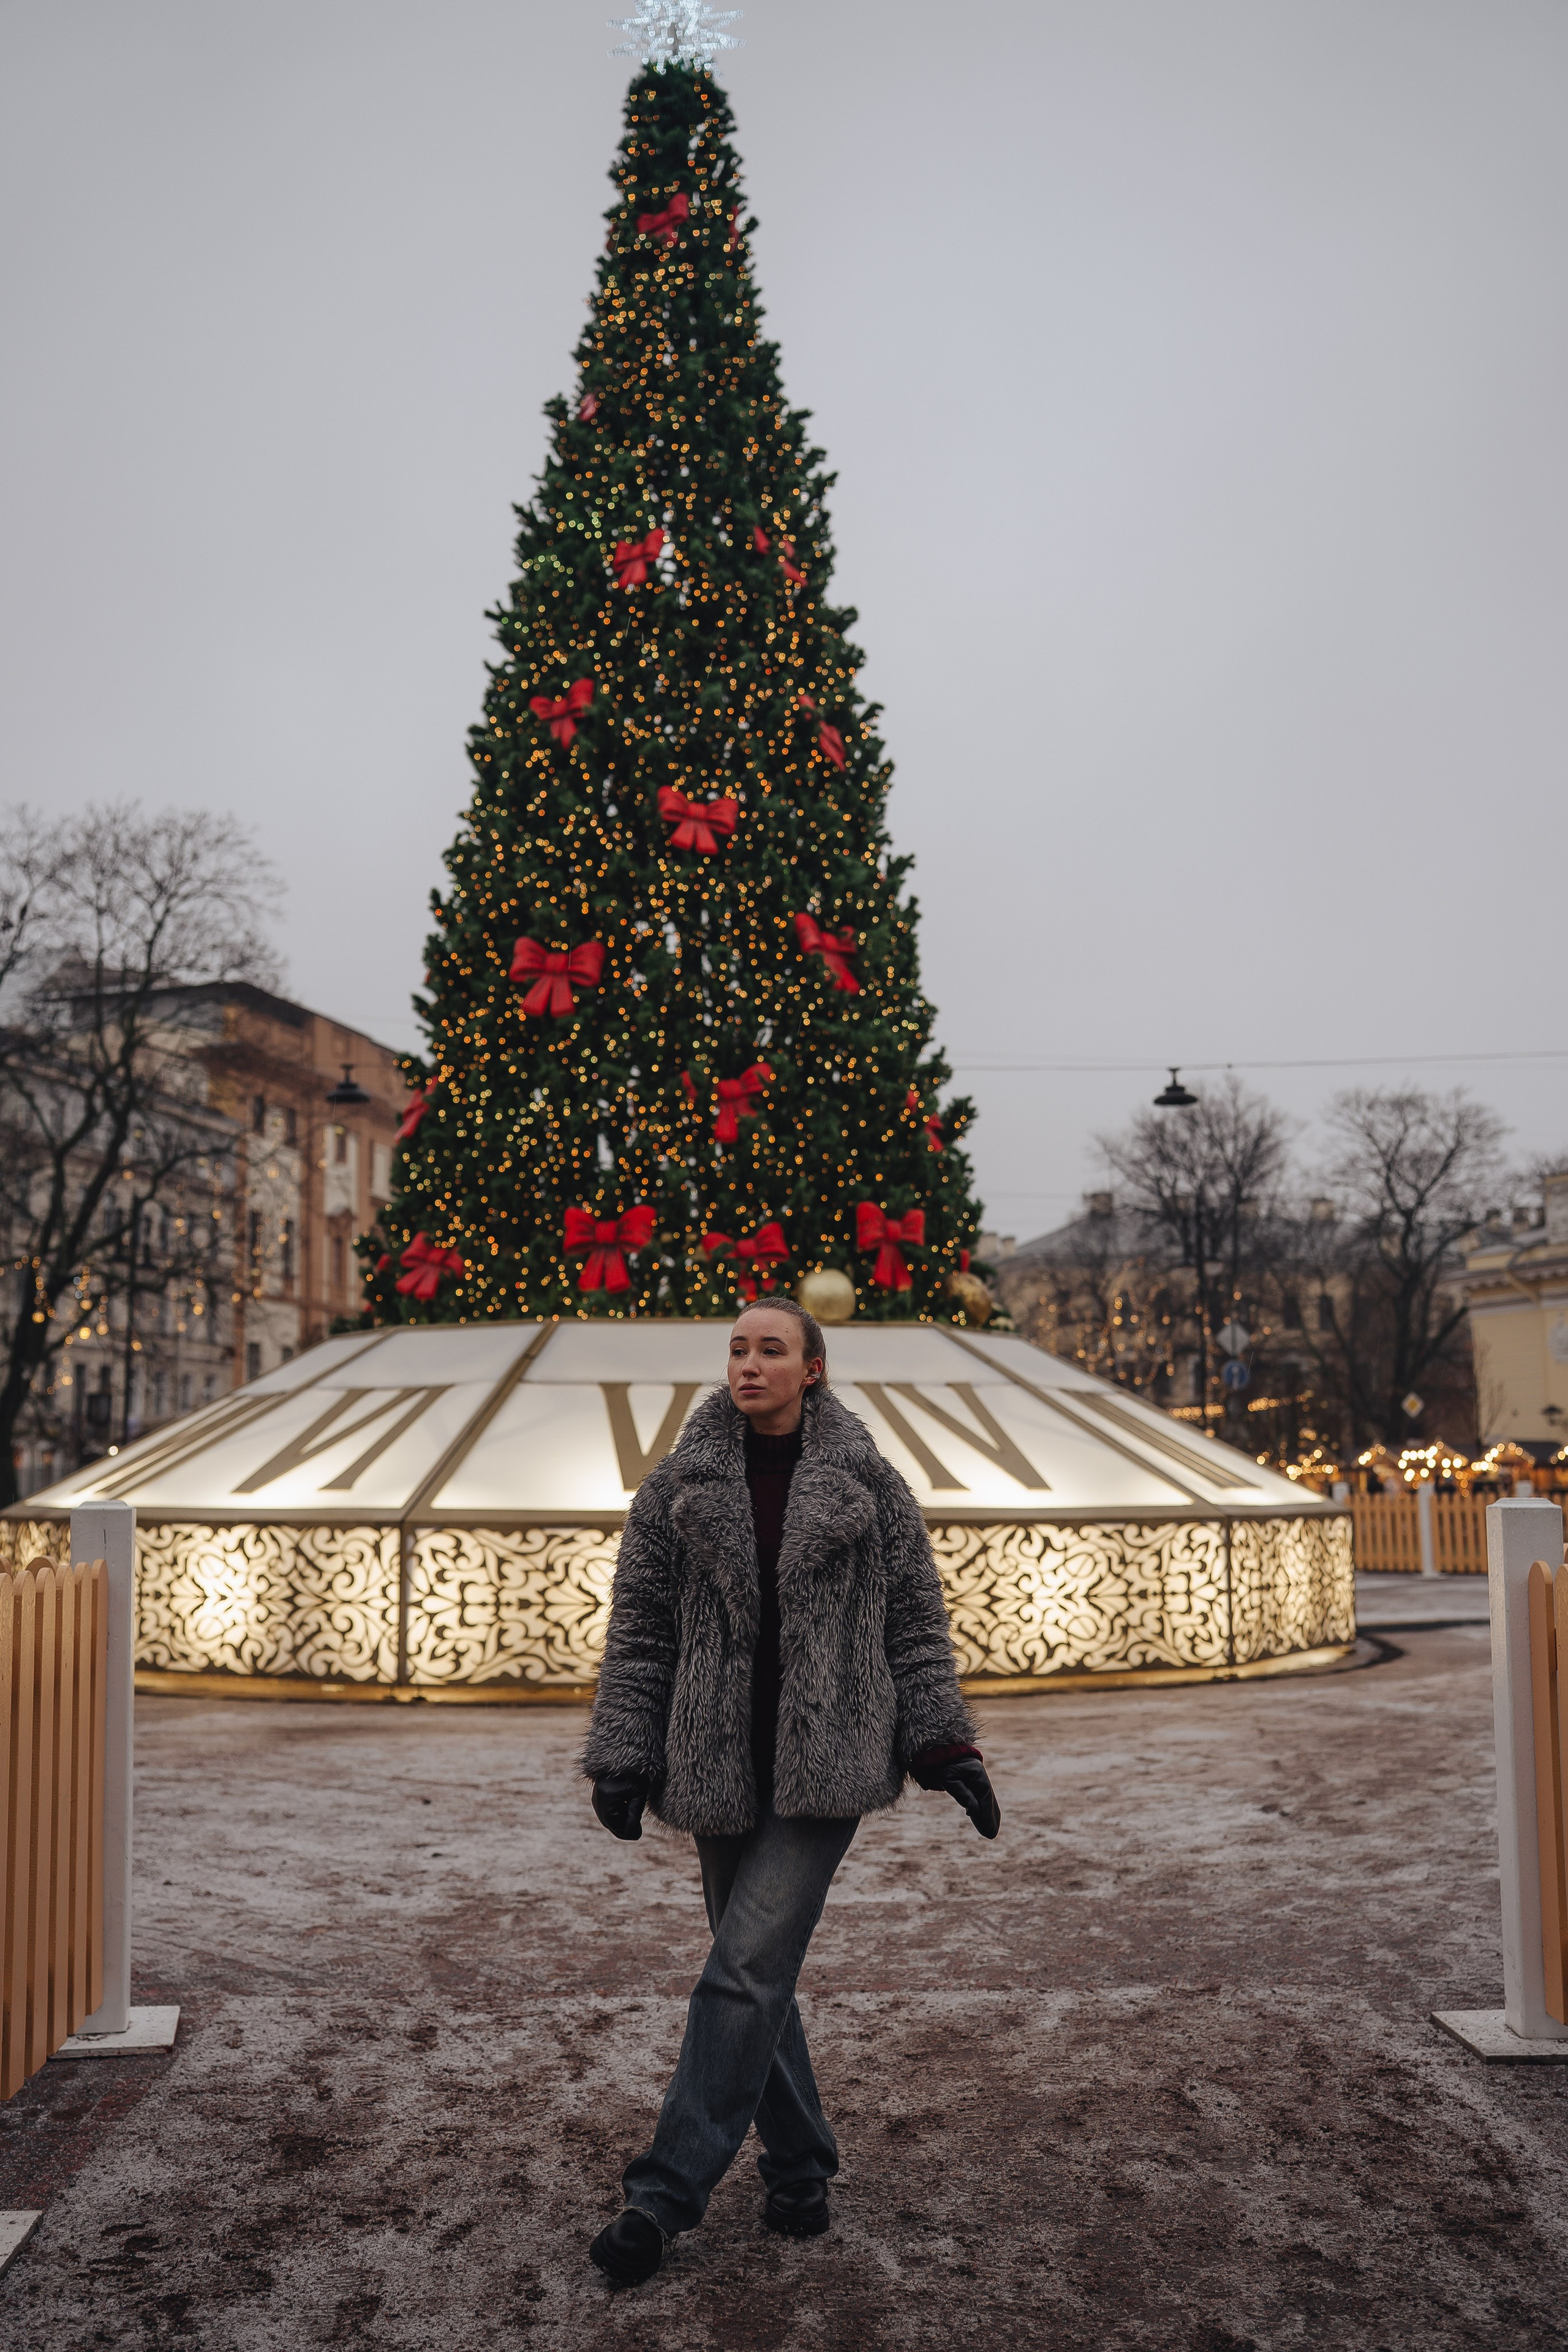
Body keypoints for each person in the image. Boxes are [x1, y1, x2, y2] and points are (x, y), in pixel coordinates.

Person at [582, 1296, 1000, 2288]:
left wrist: (946, 1747)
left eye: (771, 1349)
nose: (748, 1363)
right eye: (738, 1348)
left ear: (812, 1369)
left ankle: (662, 2197)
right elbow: (641, 1635)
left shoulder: (871, 1486)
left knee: (743, 1969)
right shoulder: (675, 1488)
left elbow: (914, 1626)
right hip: (714, 1761)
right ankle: (800, 2169)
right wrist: (625, 1756)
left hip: (828, 1762)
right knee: (755, 1974)